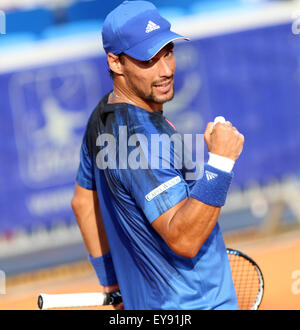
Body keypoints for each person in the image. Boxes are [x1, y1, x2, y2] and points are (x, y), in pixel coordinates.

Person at [72, 0, 244, 310]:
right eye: (148, 59)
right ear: (115, 62)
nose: (165, 70)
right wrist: (220, 162)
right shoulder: (141, 142)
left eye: (168, 53)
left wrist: (111, 282)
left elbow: (83, 203)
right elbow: (184, 239)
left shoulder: (101, 116)